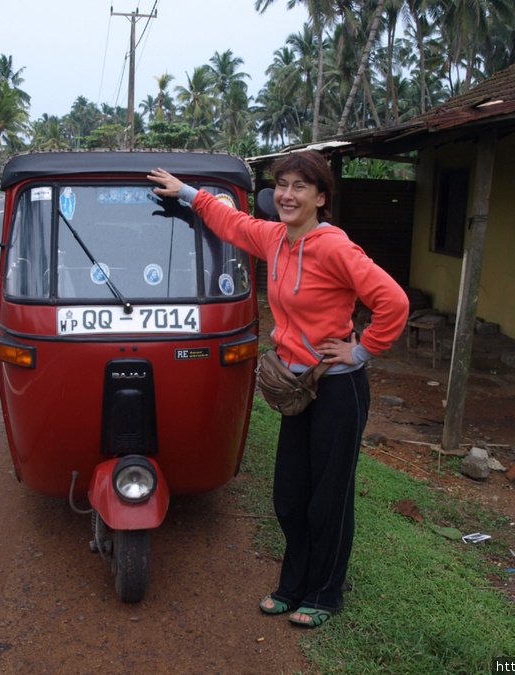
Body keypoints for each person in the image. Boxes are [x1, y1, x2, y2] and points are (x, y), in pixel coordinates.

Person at [148, 151, 409, 629]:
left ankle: (325, 593)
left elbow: (393, 300)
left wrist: (362, 351)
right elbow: (229, 221)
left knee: (329, 497)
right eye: (282, 185)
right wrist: (185, 192)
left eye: (300, 187)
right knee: (290, 495)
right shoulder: (275, 238)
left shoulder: (332, 246)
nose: (287, 195)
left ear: (321, 197)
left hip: (337, 388)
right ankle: (293, 585)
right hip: (296, 387)